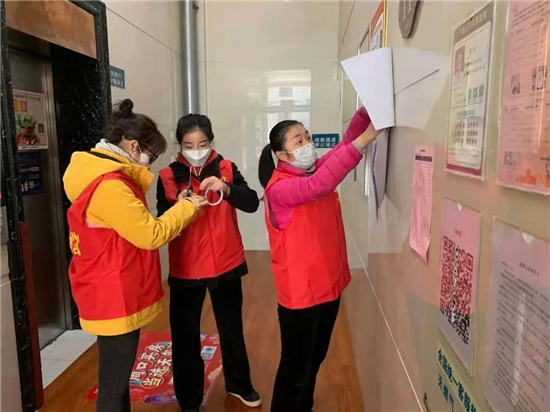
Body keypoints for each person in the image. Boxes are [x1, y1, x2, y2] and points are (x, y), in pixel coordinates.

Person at [63, 99, 208, 412]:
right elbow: (150, 234)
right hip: (114, 293)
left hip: (105, 286)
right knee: (114, 386)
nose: (149, 164)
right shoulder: (110, 186)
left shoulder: (98, 175)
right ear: (132, 146)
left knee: (116, 378)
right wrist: (187, 208)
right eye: (150, 156)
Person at [258, 107, 383, 412]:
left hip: (327, 288)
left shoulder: (311, 171)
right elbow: (320, 185)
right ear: (282, 155)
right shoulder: (280, 188)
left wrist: (367, 109)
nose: (307, 144)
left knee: (314, 359)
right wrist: (367, 139)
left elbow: (343, 148)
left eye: (307, 137)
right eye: (298, 141)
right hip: (301, 295)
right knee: (297, 369)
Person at [156, 114, 261, 412]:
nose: (196, 150)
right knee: (184, 335)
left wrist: (226, 189)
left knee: (231, 329)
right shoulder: (168, 175)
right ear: (180, 145)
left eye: (202, 143)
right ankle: (189, 399)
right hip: (186, 268)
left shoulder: (225, 168)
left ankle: (239, 385)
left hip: (226, 264)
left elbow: (252, 203)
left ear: (211, 141)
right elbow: (161, 224)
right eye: (189, 145)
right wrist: (180, 206)